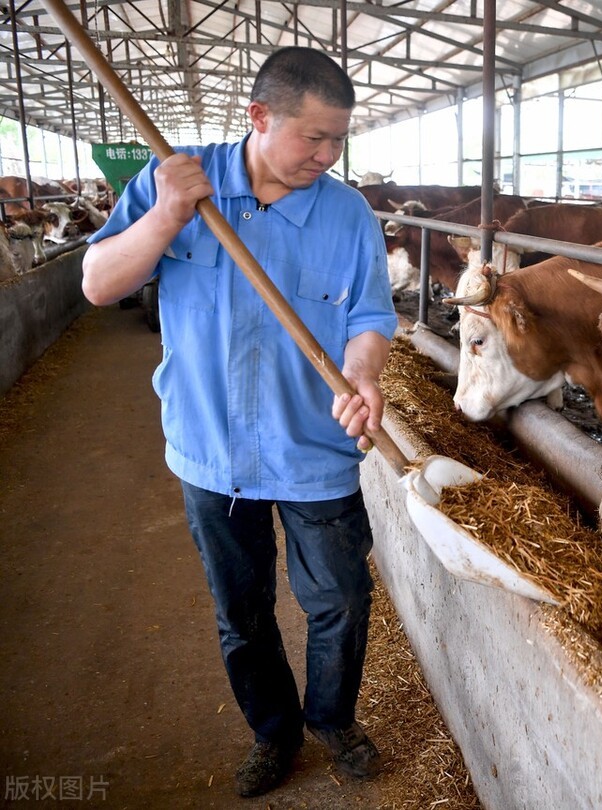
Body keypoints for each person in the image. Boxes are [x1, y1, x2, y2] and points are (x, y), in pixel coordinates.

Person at [82, 47, 398, 798]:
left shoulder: (347, 212)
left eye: (338, 141)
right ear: (259, 117)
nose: (326, 156)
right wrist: (164, 215)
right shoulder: (177, 182)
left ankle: (332, 717)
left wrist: (364, 375)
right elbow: (98, 284)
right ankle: (273, 731)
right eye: (311, 138)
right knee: (242, 610)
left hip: (315, 447)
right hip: (212, 448)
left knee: (342, 601)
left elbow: (369, 315)